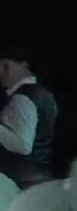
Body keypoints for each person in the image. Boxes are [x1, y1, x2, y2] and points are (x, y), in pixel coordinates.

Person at [0, 44, 58, 188]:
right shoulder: (44, 94)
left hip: (18, 180)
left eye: (5, 66)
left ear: (22, 65)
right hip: (38, 175)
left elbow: (22, 145)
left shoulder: (23, 97)